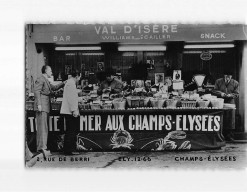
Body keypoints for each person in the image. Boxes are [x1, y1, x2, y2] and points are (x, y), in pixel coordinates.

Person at [34, 65, 65, 155]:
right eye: (50, 71)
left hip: (45, 107)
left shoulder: (46, 80)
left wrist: (63, 83)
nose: (51, 72)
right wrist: (39, 104)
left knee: (44, 128)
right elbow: (37, 91)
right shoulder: (40, 79)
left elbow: (53, 88)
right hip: (42, 107)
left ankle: (43, 148)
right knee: (42, 129)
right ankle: (41, 149)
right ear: (46, 71)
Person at [212, 70, 239, 141]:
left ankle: (230, 136)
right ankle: (220, 136)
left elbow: (237, 93)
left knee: (230, 119)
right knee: (221, 118)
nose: (228, 77)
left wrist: (231, 95)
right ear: (224, 76)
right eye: (226, 76)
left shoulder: (235, 83)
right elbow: (214, 90)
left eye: (229, 76)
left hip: (231, 103)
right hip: (220, 102)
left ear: (231, 76)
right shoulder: (218, 81)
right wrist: (221, 94)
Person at [60, 70, 81, 155]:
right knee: (71, 131)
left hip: (69, 110)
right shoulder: (71, 84)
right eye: (79, 77)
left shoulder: (70, 83)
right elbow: (71, 98)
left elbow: (72, 97)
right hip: (70, 111)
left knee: (70, 130)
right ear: (77, 76)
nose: (79, 79)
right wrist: (74, 110)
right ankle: (69, 150)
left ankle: (68, 149)